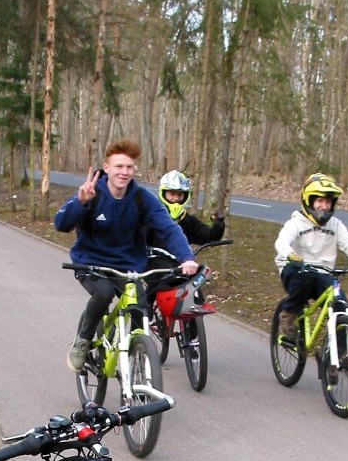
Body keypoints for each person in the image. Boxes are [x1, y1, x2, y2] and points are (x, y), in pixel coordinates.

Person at [54, 139, 199, 372]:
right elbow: (61, 224)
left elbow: (169, 228)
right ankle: (82, 340)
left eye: (129, 167)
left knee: (140, 305)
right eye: (119, 166)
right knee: (103, 293)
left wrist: (186, 257)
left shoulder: (142, 199)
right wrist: (80, 202)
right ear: (107, 167)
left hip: (128, 266)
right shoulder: (92, 193)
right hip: (91, 263)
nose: (124, 172)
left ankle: (135, 355)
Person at [274, 173, 348, 343]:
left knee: (342, 307)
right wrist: (291, 255)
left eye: (327, 202)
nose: (323, 206)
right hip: (296, 270)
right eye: (319, 201)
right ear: (309, 201)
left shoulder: (335, 225)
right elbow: (281, 242)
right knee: (305, 277)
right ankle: (289, 313)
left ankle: (338, 356)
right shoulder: (295, 223)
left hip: (324, 273)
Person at [144, 170, 226, 315]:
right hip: (154, 263)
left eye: (179, 195)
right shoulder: (153, 217)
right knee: (162, 277)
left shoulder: (187, 220)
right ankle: (146, 308)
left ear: (185, 197)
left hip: (181, 263)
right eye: (171, 194)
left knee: (195, 279)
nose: (175, 198)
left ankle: (194, 330)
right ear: (163, 194)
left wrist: (218, 225)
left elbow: (207, 236)